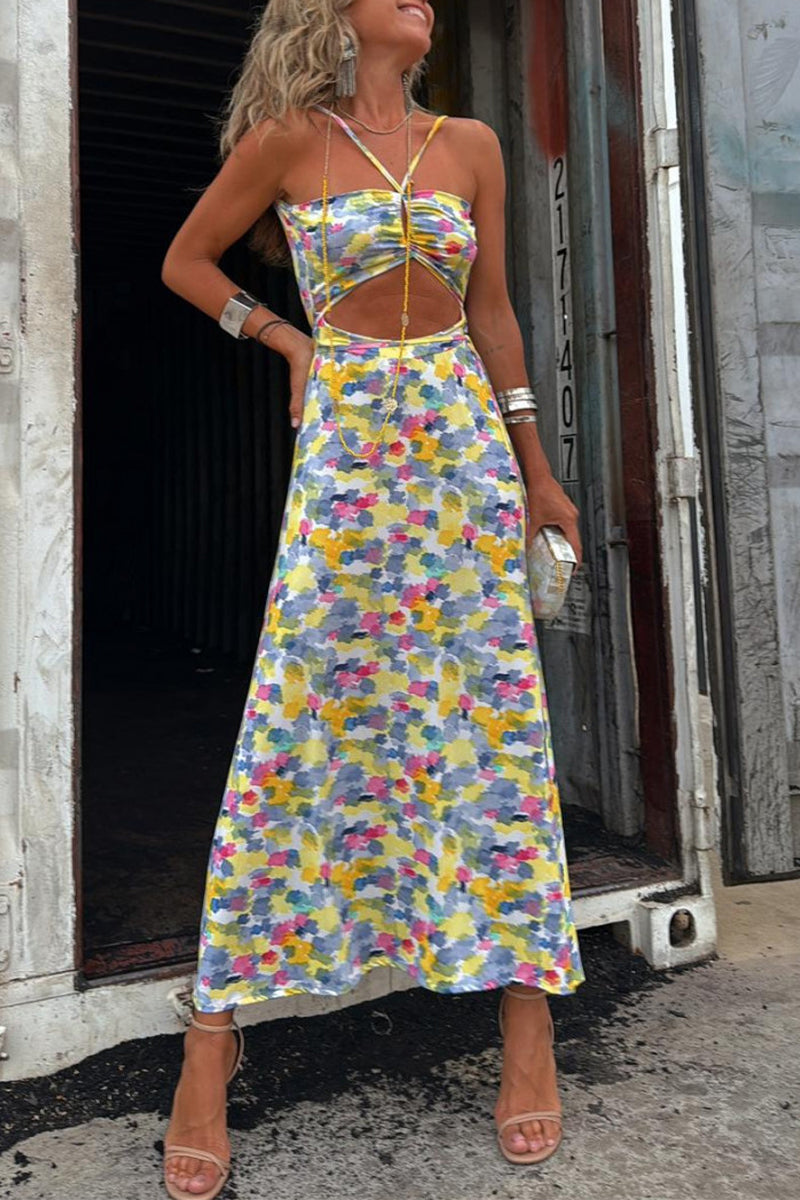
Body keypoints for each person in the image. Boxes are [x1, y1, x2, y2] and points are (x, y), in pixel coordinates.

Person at [159, 1, 585, 1195]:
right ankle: (211, 1036)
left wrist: (535, 471)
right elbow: (185, 263)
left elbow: (491, 314)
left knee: (489, 727)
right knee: (298, 720)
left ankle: (525, 1020)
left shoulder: (469, 145)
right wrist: (287, 342)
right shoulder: (290, 140)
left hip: (459, 447)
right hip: (348, 447)